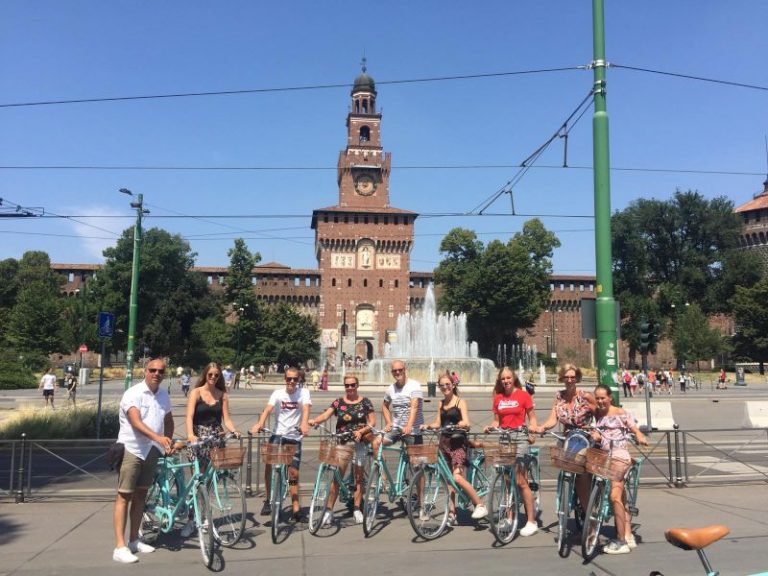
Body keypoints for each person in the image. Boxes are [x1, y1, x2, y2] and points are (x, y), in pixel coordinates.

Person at [112, 358, 174, 564]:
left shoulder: (163, 395)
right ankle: (119, 547)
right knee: (124, 496)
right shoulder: (133, 393)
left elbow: (168, 420)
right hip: (132, 448)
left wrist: (168, 441)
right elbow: (135, 421)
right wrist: (158, 438)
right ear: (145, 371)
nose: (157, 373)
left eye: (161, 371)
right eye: (153, 370)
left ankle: (133, 540)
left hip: (151, 451)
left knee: (141, 496)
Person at [180, 362, 239, 537]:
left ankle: (205, 518)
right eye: (210, 374)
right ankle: (191, 520)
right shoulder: (196, 393)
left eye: (216, 375)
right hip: (198, 438)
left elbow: (226, 419)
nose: (213, 378)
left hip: (215, 439)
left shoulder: (222, 395)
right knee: (198, 481)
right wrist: (190, 434)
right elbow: (189, 416)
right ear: (205, 375)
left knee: (211, 481)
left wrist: (234, 430)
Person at [309, 374, 375, 526]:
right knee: (337, 478)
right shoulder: (338, 402)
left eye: (352, 385)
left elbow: (372, 422)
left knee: (358, 478)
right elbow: (326, 415)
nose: (350, 388)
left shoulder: (365, 402)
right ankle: (328, 510)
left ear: (357, 385)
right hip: (343, 442)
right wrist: (314, 421)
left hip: (359, 442)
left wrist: (362, 431)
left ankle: (357, 509)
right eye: (347, 385)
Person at [590, 384, 648, 555]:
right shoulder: (598, 414)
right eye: (597, 398)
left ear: (610, 398)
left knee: (614, 496)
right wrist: (597, 437)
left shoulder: (620, 413)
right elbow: (601, 437)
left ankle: (621, 540)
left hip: (620, 457)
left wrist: (640, 436)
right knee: (620, 496)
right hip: (604, 457)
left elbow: (634, 428)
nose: (600, 401)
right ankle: (628, 533)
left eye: (603, 398)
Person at [532, 363, 596, 513]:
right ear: (561, 378)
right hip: (567, 440)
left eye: (573, 377)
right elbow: (552, 419)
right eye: (566, 377)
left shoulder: (585, 396)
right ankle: (574, 500)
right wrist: (542, 427)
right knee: (567, 473)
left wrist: (598, 431)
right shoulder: (559, 396)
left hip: (585, 439)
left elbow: (600, 414)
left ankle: (590, 515)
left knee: (581, 478)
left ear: (577, 379)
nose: (569, 380)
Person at [250, 367, 311, 522]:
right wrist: (259, 424)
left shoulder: (303, 393)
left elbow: (306, 409)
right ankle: (268, 499)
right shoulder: (278, 393)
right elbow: (267, 409)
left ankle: (296, 508)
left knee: (293, 473)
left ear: (299, 380)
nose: (291, 382)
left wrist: (304, 424)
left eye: (295, 379)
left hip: (294, 436)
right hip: (277, 434)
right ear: (285, 379)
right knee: (269, 466)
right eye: (289, 379)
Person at [483, 367, 538, 536]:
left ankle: (531, 521)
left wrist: (533, 427)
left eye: (508, 378)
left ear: (513, 378)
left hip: (520, 436)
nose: (506, 381)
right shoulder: (498, 398)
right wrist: (490, 427)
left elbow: (532, 417)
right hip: (504, 437)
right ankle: (509, 517)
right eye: (503, 379)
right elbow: (496, 421)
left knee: (520, 480)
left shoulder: (523, 395)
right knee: (507, 480)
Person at [426, 373, 487, 525]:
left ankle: (479, 504)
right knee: (448, 480)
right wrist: (426, 426)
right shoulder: (441, 403)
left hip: (458, 442)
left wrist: (460, 424)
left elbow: (466, 421)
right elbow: (438, 423)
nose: (445, 387)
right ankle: (452, 513)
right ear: (439, 387)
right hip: (444, 443)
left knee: (457, 477)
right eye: (442, 385)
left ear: (453, 385)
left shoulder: (460, 402)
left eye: (447, 384)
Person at [377, 359, 424, 450]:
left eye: (400, 370)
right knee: (376, 443)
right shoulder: (391, 389)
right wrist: (388, 422)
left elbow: (414, 407)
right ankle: (379, 464)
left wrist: (409, 426)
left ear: (404, 369)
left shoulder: (414, 385)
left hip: (413, 431)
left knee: (416, 462)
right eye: (394, 371)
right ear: (392, 372)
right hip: (396, 429)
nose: (397, 372)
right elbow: (384, 406)